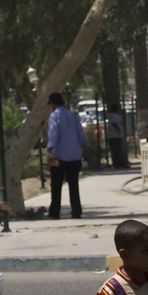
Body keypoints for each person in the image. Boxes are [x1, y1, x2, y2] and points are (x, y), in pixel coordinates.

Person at [46, 91, 88, 219]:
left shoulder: (54, 116)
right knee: (73, 185)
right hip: (75, 156)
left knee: (56, 185)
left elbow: (53, 133)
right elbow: (80, 132)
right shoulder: (72, 116)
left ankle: (55, 212)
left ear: (53, 104)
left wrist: (50, 149)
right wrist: (84, 146)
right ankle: (76, 211)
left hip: (59, 156)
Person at [106, 102, 131, 169]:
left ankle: (117, 163)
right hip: (116, 135)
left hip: (114, 135)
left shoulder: (111, 115)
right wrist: (118, 130)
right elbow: (115, 124)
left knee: (116, 150)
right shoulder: (114, 116)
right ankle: (119, 164)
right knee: (118, 150)